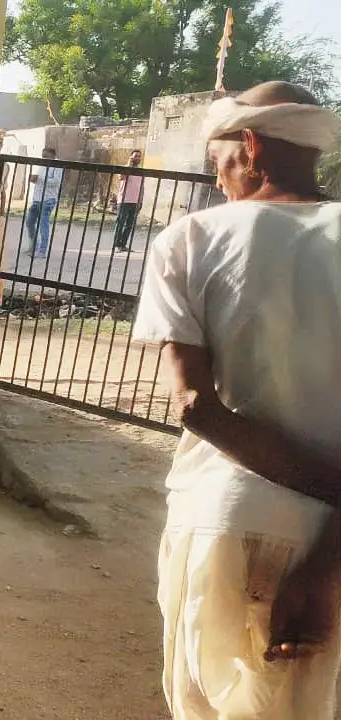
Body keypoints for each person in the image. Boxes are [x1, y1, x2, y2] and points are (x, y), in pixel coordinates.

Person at [130, 81, 341, 719]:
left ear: (249, 147)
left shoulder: (189, 240)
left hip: (222, 517)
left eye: (216, 160)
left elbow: (196, 405)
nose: (217, 178)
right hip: (329, 538)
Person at [24, 147, 63, 257]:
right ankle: (33, 246)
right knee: (29, 222)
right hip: (37, 199)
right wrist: (34, 180)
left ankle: (42, 250)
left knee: (43, 225)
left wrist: (40, 179)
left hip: (48, 199)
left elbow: (56, 182)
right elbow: (40, 181)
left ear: (53, 156)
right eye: (43, 156)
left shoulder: (57, 166)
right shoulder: (42, 166)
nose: (44, 158)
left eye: (46, 156)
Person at [113, 149, 144, 250]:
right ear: (131, 157)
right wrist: (128, 164)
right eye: (136, 156)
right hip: (124, 200)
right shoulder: (125, 168)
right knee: (120, 222)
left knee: (129, 224)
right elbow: (121, 177)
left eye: (139, 156)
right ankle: (117, 245)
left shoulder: (141, 171)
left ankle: (123, 245)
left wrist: (141, 200)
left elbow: (142, 186)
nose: (138, 158)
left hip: (135, 201)